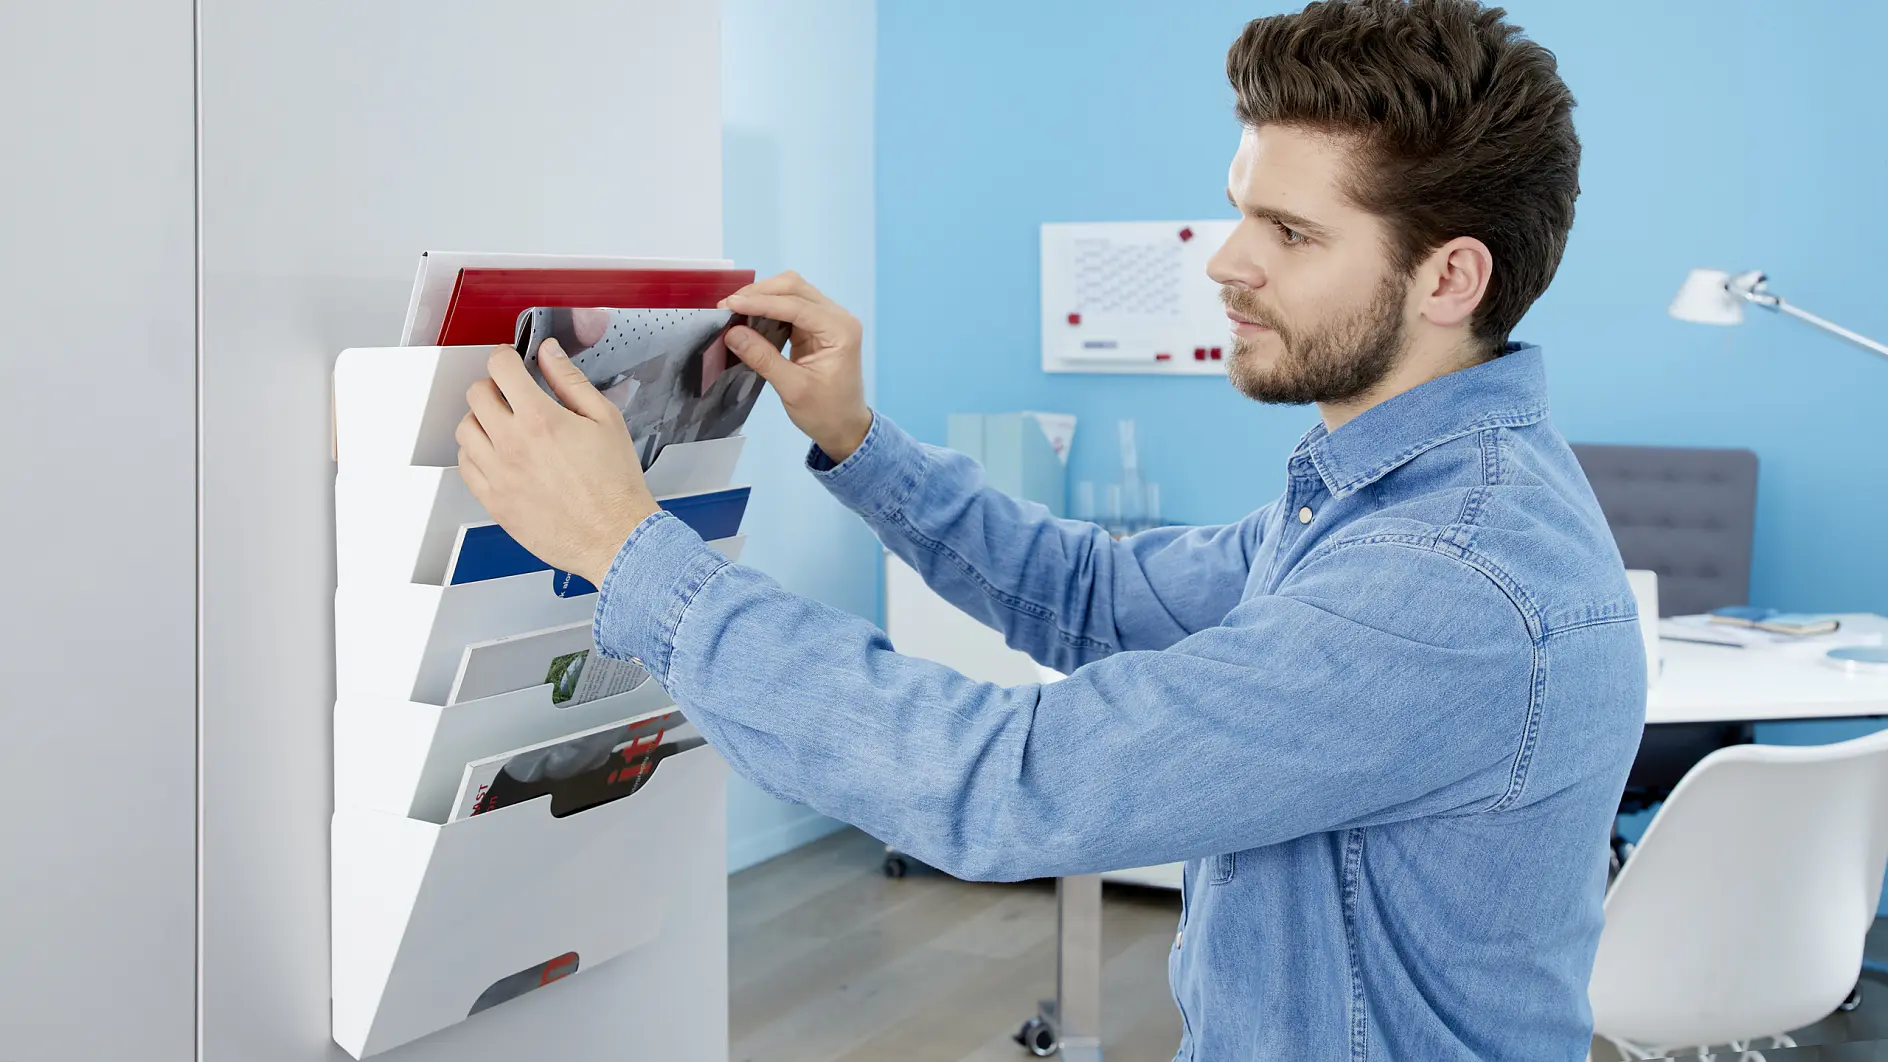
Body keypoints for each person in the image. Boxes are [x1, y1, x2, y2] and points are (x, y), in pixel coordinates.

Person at [451, 0, 1646, 1057]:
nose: (1223, 263)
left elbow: (1006, 785)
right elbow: (1097, 597)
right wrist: (860, 440)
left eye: (1290, 233)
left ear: (1448, 280)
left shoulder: (1439, 582)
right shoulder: (1390, 499)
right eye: (1238, 212)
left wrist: (629, 553)